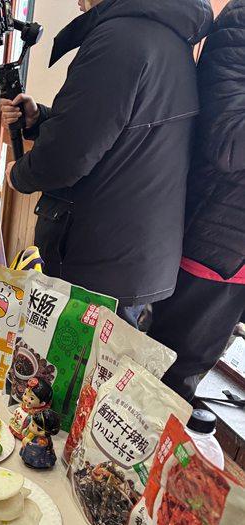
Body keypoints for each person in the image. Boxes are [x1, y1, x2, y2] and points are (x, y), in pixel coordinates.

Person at [1, 0, 213, 326]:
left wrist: (18, 175)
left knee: (72, 354)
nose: (78, 2)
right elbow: (117, 133)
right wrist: (40, 119)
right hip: (133, 254)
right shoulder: (168, 36)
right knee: (108, 353)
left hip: (98, 259)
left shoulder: (119, 39)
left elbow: (67, 157)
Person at [148, 0, 245, 401]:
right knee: (169, 378)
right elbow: (228, 142)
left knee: (196, 373)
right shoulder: (240, 21)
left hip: (236, 252)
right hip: (215, 244)